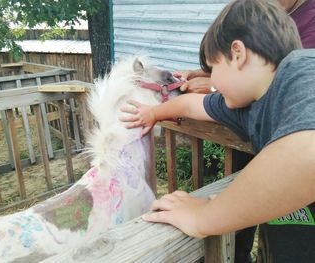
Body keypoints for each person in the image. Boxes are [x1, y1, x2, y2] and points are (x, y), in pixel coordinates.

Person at [120, 0, 315, 262]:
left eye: (213, 68)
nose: (212, 82)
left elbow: (306, 156)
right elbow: (193, 104)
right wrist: (154, 113)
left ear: (238, 54)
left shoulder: (303, 69)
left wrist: (204, 217)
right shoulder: (249, 106)